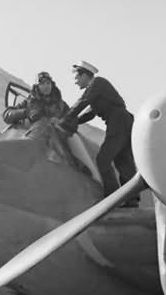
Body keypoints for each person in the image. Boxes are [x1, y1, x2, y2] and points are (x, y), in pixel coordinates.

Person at [58, 60, 139, 206]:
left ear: (84, 75)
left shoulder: (97, 84)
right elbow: (90, 114)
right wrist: (73, 122)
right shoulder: (97, 91)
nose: (76, 82)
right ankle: (132, 199)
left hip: (118, 121)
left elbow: (82, 102)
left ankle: (112, 198)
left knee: (103, 159)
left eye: (77, 78)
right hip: (124, 121)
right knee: (123, 161)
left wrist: (64, 120)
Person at [3, 71, 69, 125]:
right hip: (36, 137)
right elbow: (7, 115)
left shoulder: (61, 105)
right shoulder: (28, 103)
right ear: (37, 87)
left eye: (48, 83)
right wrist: (27, 112)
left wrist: (61, 121)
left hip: (57, 137)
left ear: (52, 85)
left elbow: (72, 119)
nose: (46, 86)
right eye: (42, 83)